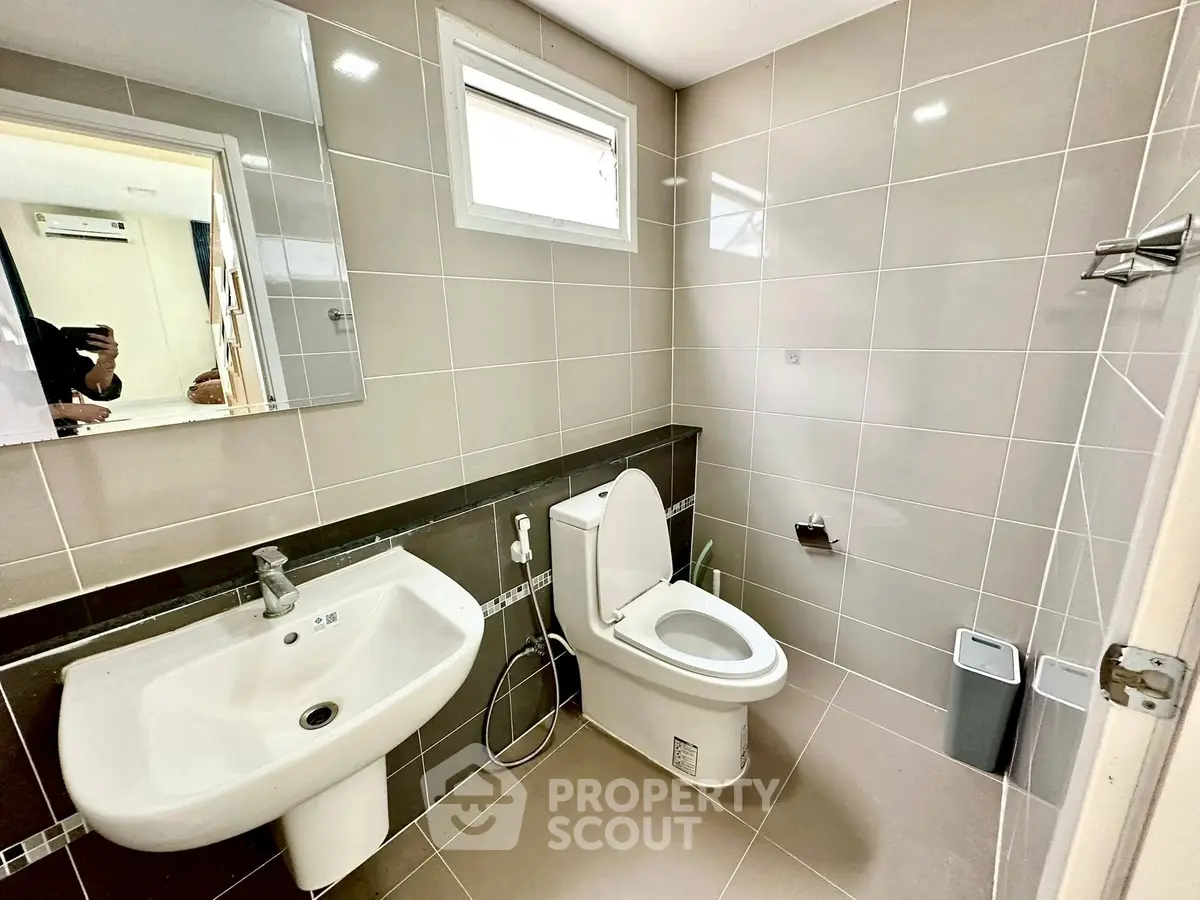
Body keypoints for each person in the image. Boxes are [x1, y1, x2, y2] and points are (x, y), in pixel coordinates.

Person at [21, 317, 121, 435]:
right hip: (13, 444)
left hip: (63, 438)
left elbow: (93, 386)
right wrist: (62, 410)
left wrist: (106, 362)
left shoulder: (34, 329)